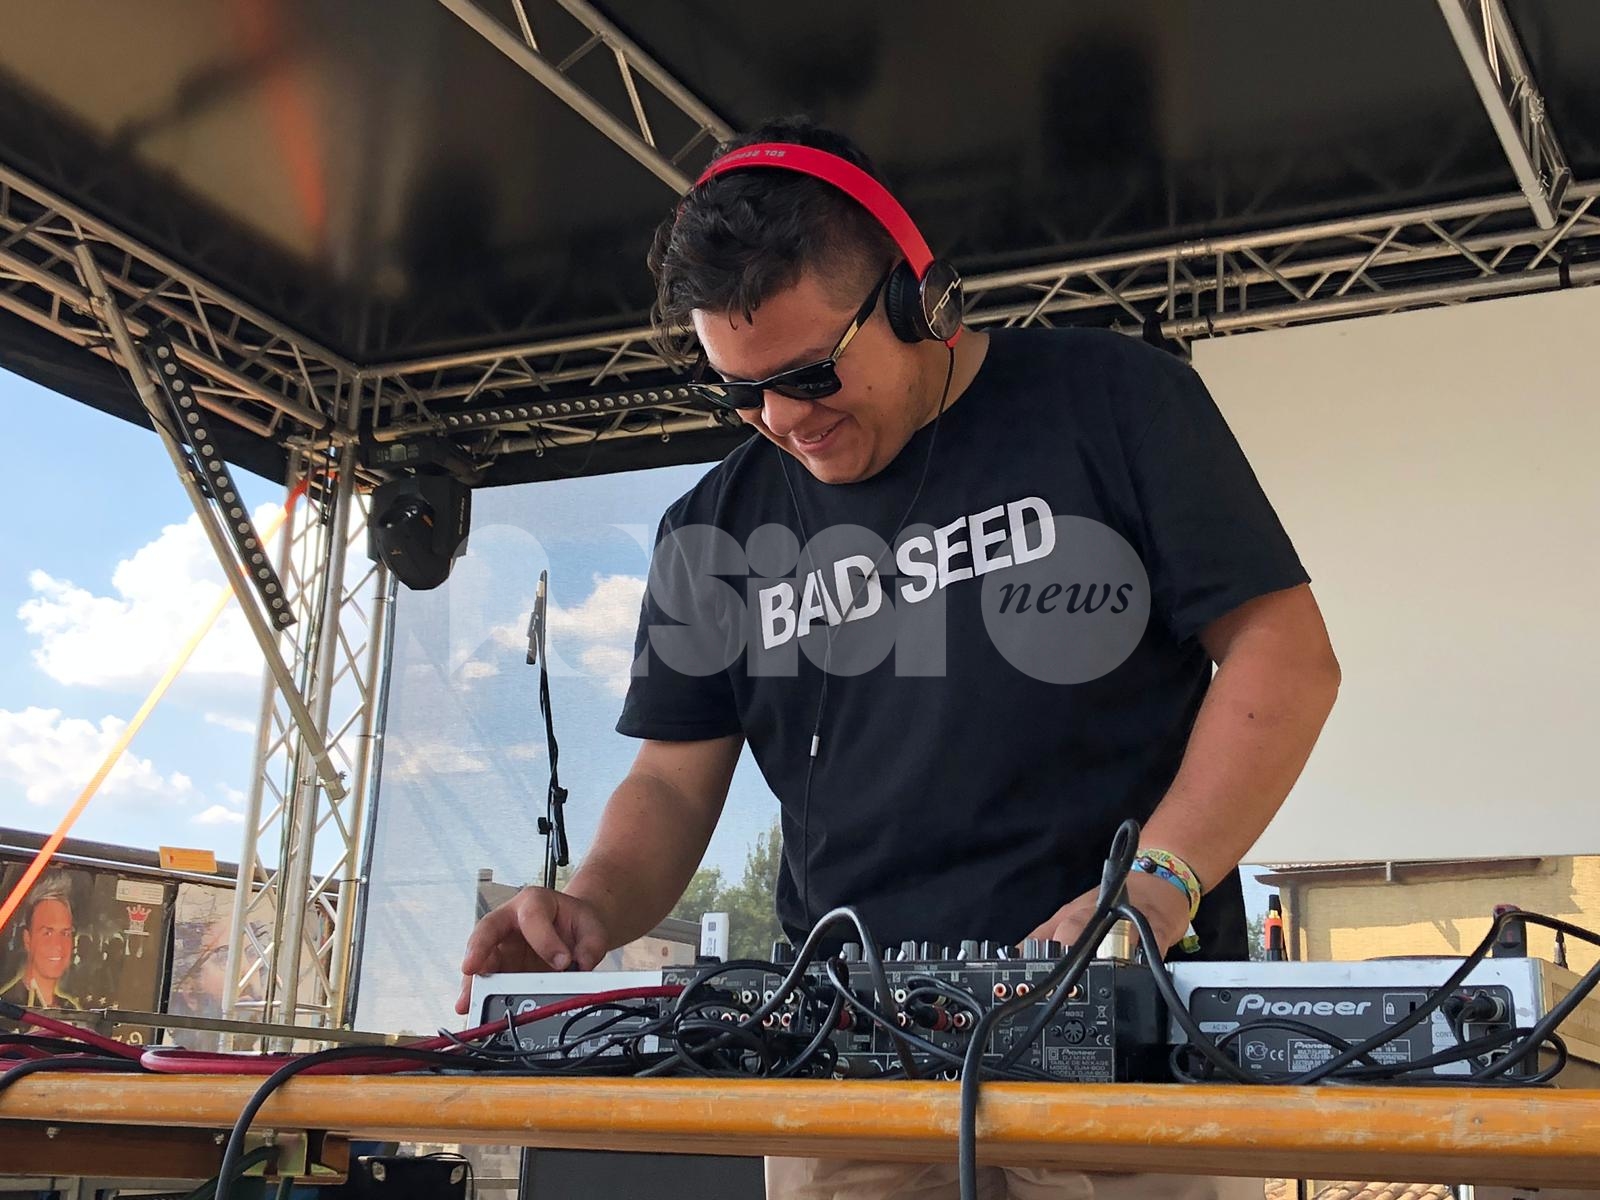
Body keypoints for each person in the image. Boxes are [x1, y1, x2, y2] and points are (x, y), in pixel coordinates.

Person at [459, 118, 1340, 1199]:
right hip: (846, 1064)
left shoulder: (1118, 401)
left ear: (922, 299)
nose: (784, 419)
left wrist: (1156, 887)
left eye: (811, 373)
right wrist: (594, 903)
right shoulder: (709, 529)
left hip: (1120, 1036)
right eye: (742, 391)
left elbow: (1283, 657)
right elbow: (671, 781)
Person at [2, 871, 82, 1010]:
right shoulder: (8, 1007)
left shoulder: (70, 1009)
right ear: (27, 939)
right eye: (47, 933)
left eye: (65, 933)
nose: (58, 945)